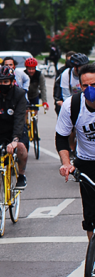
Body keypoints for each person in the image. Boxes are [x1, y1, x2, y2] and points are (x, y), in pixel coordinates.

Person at [56, 63, 95, 241]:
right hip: (87, 162)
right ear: (79, 86)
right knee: (90, 215)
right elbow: (61, 137)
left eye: (94, 85)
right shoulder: (72, 106)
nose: (89, 89)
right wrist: (66, 163)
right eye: (85, 86)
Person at [0, 66, 29, 219]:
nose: (3, 84)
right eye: (0, 82)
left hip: (15, 131)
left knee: (22, 148)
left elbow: (19, 119)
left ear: (12, 82)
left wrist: (15, 141)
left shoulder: (19, 94)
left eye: (6, 82)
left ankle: (21, 175)